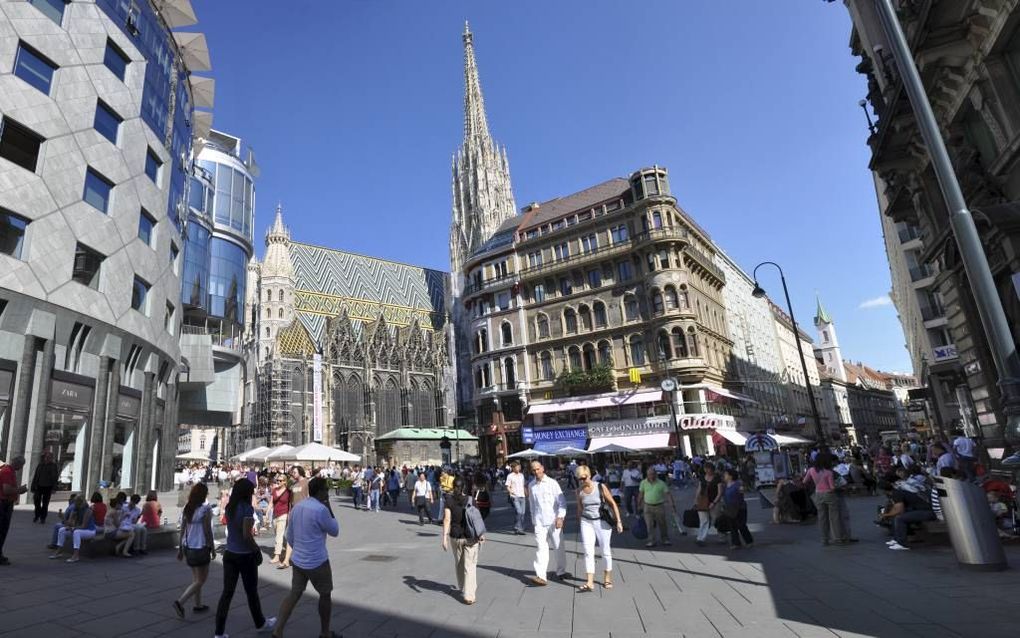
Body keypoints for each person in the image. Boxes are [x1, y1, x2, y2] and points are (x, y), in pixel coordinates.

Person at [271, 477, 340, 638]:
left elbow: (290, 537)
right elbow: (335, 530)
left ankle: (278, 629)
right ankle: (324, 632)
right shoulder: (321, 509)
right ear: (322, 491)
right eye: (326, 489)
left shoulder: (297, 507)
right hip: (317, 561)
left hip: (299, 560)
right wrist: (328, 505)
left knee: (294, 594)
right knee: (325, 594)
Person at [214, 478, 276, 638]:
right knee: (251, 592)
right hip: (245, 556)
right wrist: (256, 550)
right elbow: (246, 535)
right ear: (246, 493)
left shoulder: (230, 507)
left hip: (229, 554)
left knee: (227, 593)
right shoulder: (247, 509)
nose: (254, 493)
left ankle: (219, 632)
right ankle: (260, 623)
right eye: (252, 491)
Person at [574, 465, 622, 592]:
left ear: (589, 475)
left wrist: (619, 522)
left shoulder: (600, 486)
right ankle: (589, 582)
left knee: (605, 550)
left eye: (584, 478)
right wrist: (580, 523)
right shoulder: (579, 491)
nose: (582, 481)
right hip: (586, 521)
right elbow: (580, 509)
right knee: (588, 551)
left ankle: (607, 578)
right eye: (579, 479)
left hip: (602, 521)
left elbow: (612, 503)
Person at [174, 482, 215, 619]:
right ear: (203, 495)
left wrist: (180, 548)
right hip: (201, 546)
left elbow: (182, 529)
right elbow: (207, 530)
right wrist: (213, 548)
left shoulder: (187, 508)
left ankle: (198, 605)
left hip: (189, 547)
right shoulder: (205, 509)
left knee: (196, 578)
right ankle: (180, 602)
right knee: (201, 580)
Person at [442, 476, 484, 605]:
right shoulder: (471, 500)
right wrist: (481, 534)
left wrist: (444, 538)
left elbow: (447, 519)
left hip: (455, 537)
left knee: (459, 562)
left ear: (453, 486)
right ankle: (469, 595)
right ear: (464, 487)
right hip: (471, 536)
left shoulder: (448, 500)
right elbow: (477, 519)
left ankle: (462, 585)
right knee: (470, 566)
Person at [527, 460, 567, 586]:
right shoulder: (531, 485)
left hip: (553, 520)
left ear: (542, 468)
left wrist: (560, 517)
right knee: (541, 548)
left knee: (558, 546)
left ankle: (561, 571)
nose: (536, 472)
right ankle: (541, 575)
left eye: (538, 469)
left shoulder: (552, 483)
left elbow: (562, 502)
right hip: (539, 522)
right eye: (533, 470)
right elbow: (532, 505)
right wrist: (534, 520)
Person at [878, 481, 935, 551]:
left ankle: (902, 544)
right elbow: (895, 507)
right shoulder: (894, 493)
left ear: (884, 490)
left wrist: (886, 515)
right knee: (895, 517)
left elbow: (899, 510)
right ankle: (897, 539)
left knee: (899, 518)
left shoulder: (897, 494)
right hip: (919, 511)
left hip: (926, 512)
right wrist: (887, 515)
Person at [803, 454, 845, 546]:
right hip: (829, 494)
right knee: (834, 517)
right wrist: (839, 486)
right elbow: (832, 487)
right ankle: (837, 538)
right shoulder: (828, 472)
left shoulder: (811, 470)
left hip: (818, 494)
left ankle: (824, 539)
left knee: (822, 518)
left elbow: (804, 481)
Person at [49, 494, 97, 563]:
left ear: (81, 502)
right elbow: (70, 523)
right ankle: (59, 551)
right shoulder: (75, 509)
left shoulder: (88, 511)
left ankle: (76, 555)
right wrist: (63, 518)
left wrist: (73, 528)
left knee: (76, 532)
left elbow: (84, 526)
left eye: (76, 502)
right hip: (79, 529)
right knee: (62, 530)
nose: (74, 503)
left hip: (90, 531)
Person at [0, 456, 27, 565]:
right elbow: (6, 490)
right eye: (22, 465)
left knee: (2, 530)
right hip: (3, 504)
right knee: (1, 530)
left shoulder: (9, 471)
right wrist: (19, 490)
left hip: (5, 504)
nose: (21, 468)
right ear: (17, 464)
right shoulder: (7, 471)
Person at [637, 467, 670, 548]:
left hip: (659, 506)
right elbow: (641, 494)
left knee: (662, 524)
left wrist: (672, 504)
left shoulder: (661, 483)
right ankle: (651, 540)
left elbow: (667, 494)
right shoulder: (643, 483)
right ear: (647, 475)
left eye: (652, 474)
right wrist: (639, 505)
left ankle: (665, 539)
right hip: (647, 506)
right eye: (649, 474)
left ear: (655, 474)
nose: (651, 476)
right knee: (649, 525)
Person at [721, 469, 753, 549]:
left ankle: (749, 541)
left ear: (730, 476)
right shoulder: (725, 485)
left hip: (740, 507)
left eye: (726, 474)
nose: (724, 476)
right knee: (732, 526)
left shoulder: (738, 484)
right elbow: (723, 496)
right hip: (729, 508)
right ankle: (736, 543)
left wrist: (742, 489)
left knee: (741, 525)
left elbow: (742, 493)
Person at [694, 462, 721, 546]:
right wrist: (696, 499)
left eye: (708, 468)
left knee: (716, 520)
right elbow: (699, 489)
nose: (707, 470)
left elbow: (720, 492)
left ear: (712, 469)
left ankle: (721, 536)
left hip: (714, 501)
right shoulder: (702, 478)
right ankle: (700, 538)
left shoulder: (717, 478)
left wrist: (714, 502)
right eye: (705, 468)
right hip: (703, 501)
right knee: (703, 520)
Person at [30, 450, 59, 524]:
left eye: (49, 457)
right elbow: (36, 476)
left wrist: (54, 488)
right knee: (36, 502)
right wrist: (33, 486)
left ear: (51, 458)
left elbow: (55, 477)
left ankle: (43, 517)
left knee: (45, 504)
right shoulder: (40, 465)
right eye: (46, 457)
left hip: (48, 487)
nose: (47, 458)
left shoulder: (53, 466)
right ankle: (37, 515)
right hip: (38, 486)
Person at [270, 473, 292, 566]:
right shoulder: (274, 490)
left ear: (285, 482)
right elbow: (271, 502)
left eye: (280, 480)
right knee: (278, 534)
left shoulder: (288, 492)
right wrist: (267, 514)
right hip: (275, 514)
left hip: (284, 514)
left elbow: (290, 504)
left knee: (279, 535)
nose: (278, 482)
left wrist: (290, 516)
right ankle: (288, 547)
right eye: (277, 480)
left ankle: (277, 556)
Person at [504, 462, 527, 534]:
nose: (518, 468)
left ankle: (518, 527)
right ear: (513, 468)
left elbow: (523, 485)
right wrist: (511, 492)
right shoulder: (510, 476)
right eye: (517, 467)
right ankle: (518, 528)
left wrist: (526, 492)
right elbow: (507, 486)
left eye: (519, 467)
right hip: (515, 496)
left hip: (522, 496)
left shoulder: (521, 475)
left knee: (522, 513)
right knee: (519, 511)